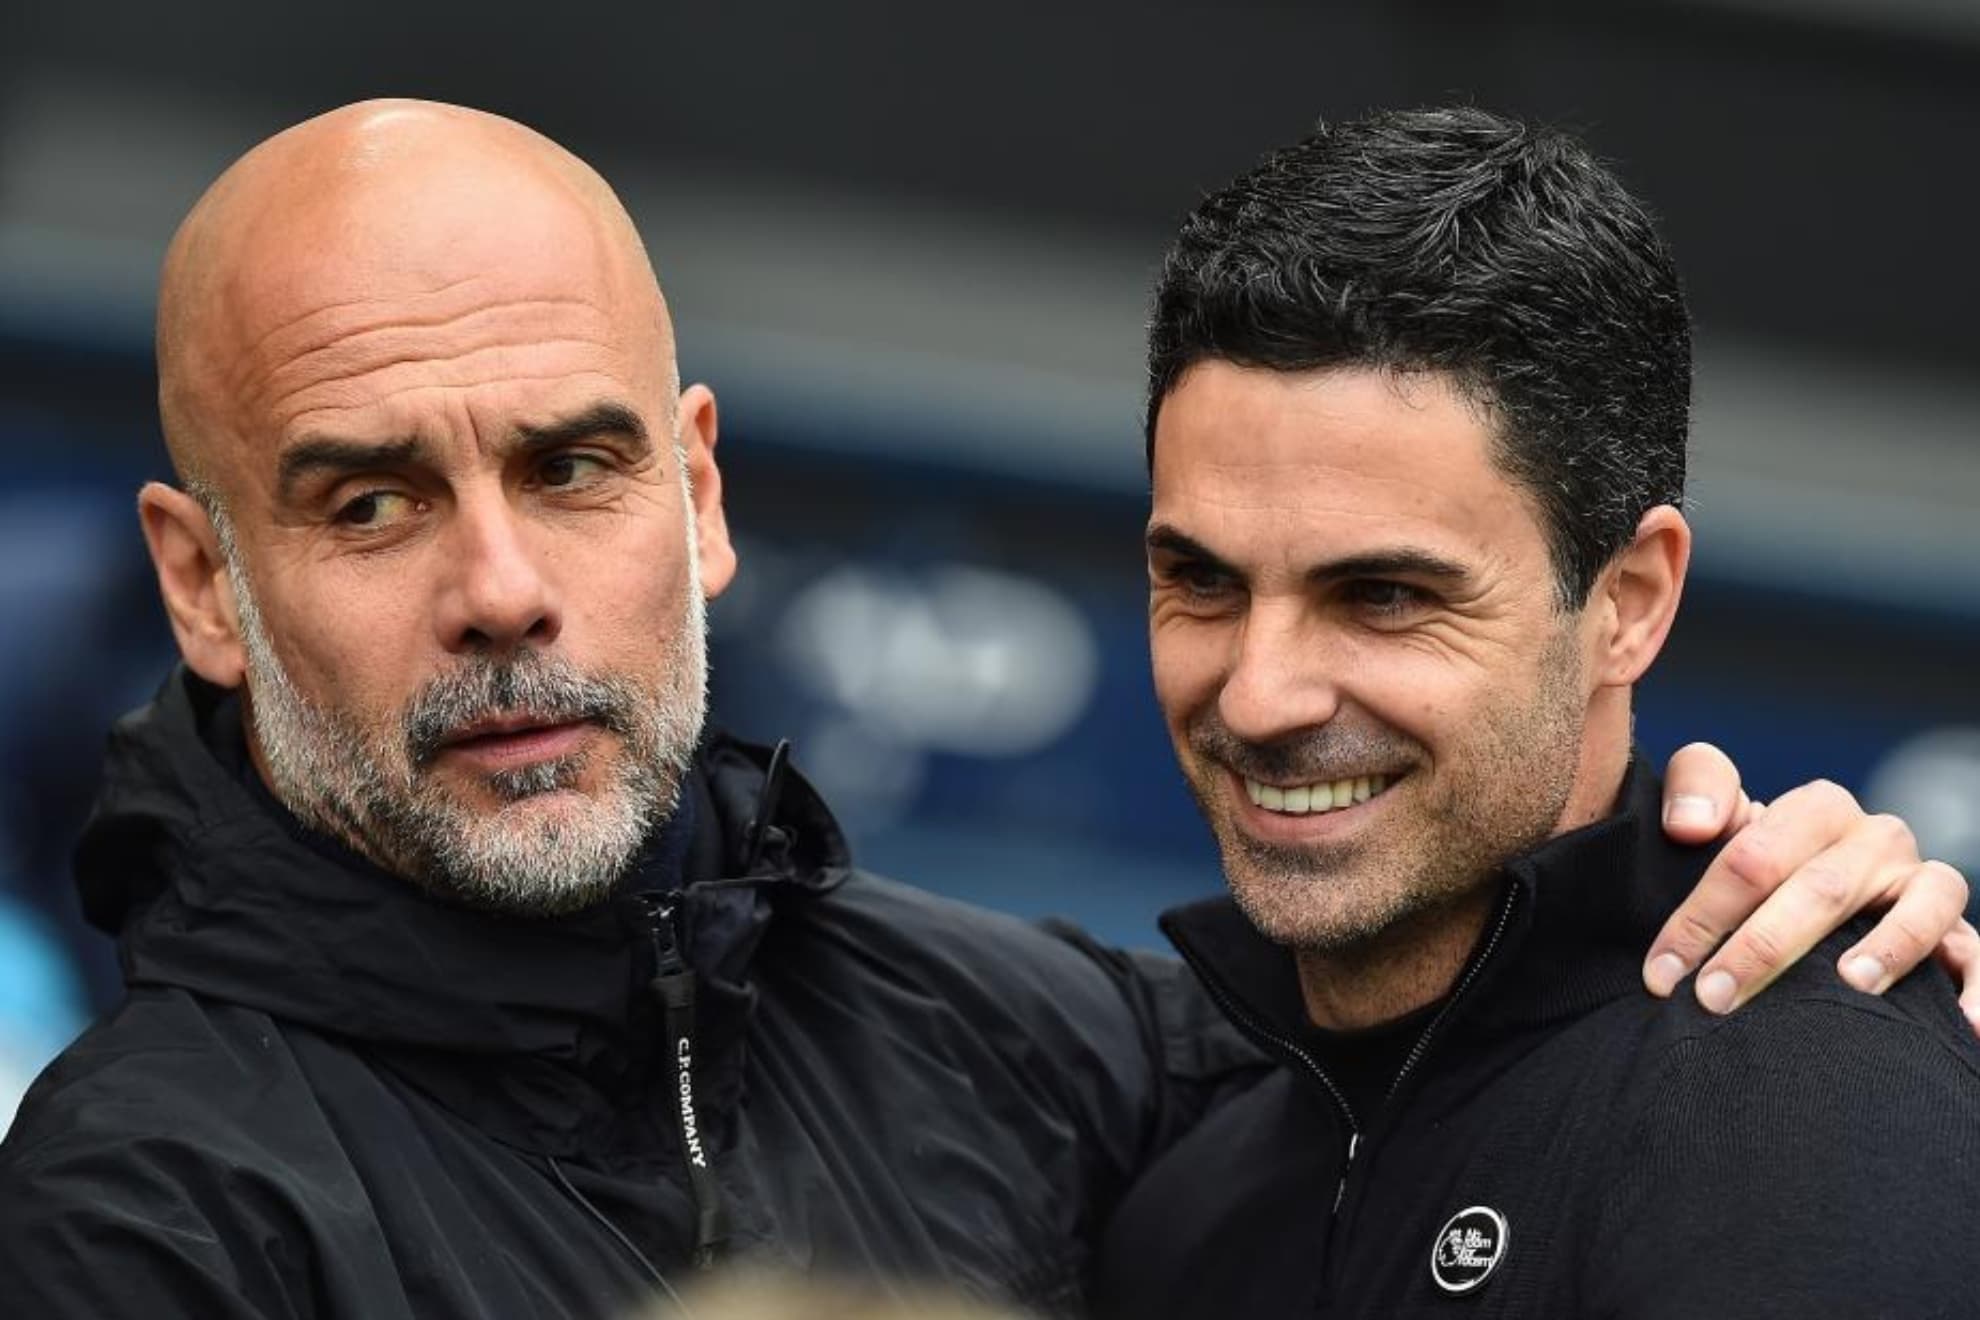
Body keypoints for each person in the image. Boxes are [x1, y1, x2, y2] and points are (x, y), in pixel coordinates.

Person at [0, 101, 1966, 1320]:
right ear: (201, 583)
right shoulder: (141, 1214)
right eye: (370, 503)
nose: (502, 589)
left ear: (698, 494)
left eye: (574, 466)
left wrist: (1788, 909)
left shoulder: (1025, 1033)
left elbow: (1458, 1038)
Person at [1092, 106, 1980, 1319]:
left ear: (1628, 601)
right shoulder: (1176, 1194)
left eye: (1386, 596)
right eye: (1201, 580)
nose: (1260, 693)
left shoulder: (1807, 1106)